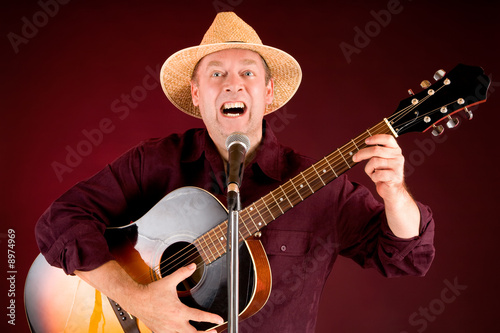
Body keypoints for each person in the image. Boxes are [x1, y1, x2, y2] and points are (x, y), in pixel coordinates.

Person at [34, 11, 435, 333]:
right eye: (216, 74)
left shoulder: (320, 186)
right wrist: (136, 300)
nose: (233, 85)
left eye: (248, 73)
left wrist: (396, 191)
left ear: (269, 92)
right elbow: (59, 223)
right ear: (196, 94)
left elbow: (405, 257)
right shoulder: (154, 162)